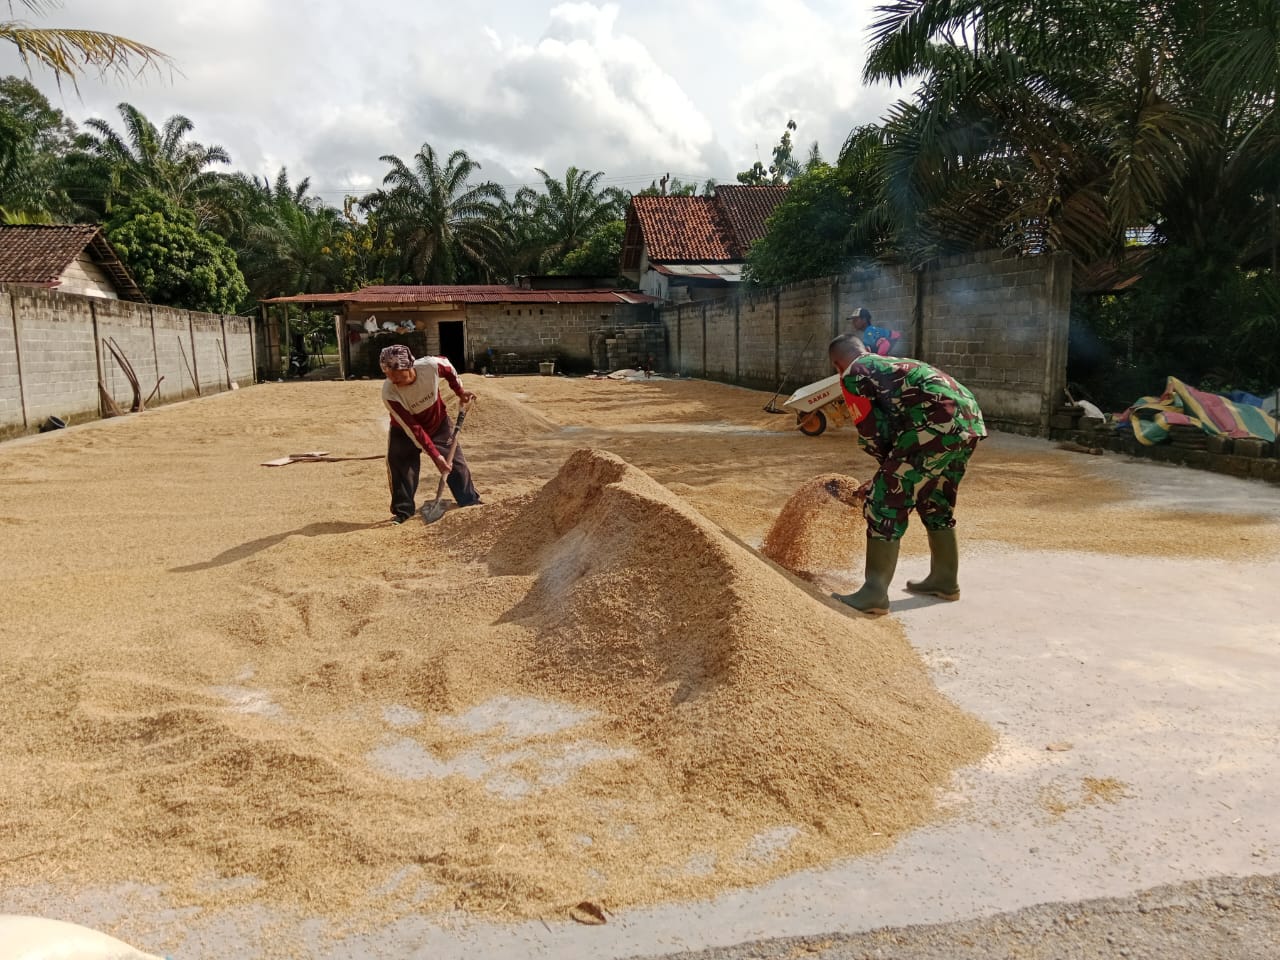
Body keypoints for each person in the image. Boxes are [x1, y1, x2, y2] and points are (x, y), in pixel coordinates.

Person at [827, 334, 986, 615]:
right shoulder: (891, 363)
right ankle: (945, 579)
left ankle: (874, 592)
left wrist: (883, 477)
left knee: (884, 500)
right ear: (866, 349)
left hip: (935, 423)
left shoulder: (853, 374)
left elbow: (873, 432)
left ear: (837, 365)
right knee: (935, 498)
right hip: (969, 420)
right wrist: (891, 468)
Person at [379, 344, 481, 524]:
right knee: (401, 466)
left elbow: (448, 368)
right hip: (404, 431)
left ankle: (469, 500)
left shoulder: (430, 366)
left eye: (396, 373)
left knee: (456, 463)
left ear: (408, 366)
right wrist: (435, 456)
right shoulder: (389, 392)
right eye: (388, 374)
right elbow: (413, 428)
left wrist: (459, 391)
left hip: (438, 423)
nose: (393, 379)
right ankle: (403, 512)